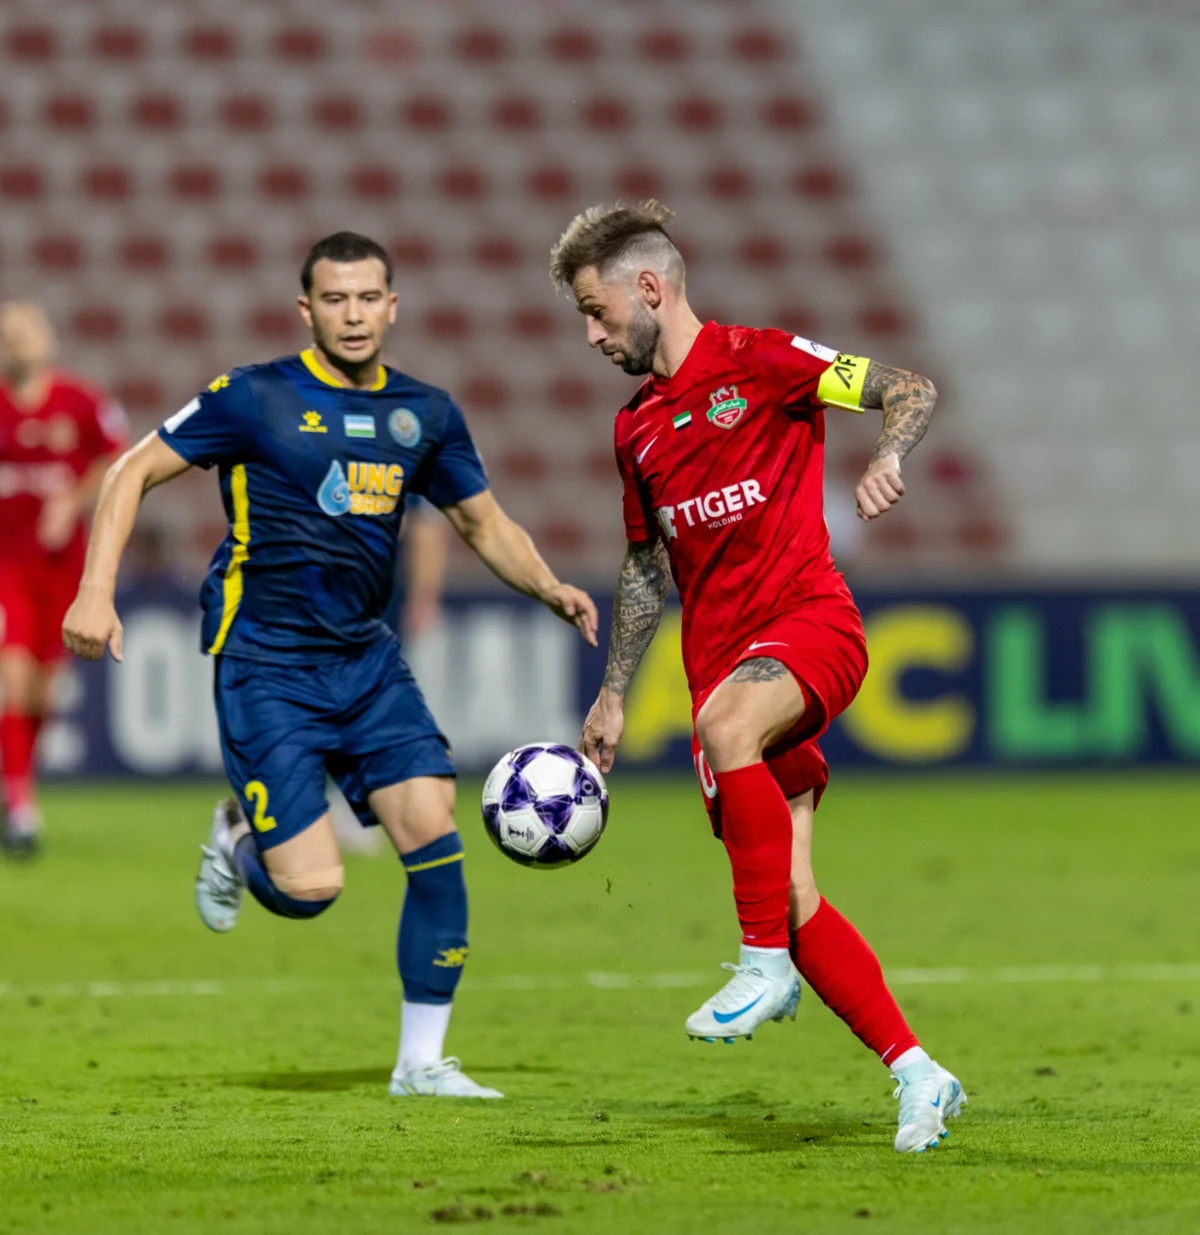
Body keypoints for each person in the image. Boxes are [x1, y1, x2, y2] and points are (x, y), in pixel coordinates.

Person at [63, 231, 598, 1099]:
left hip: (365, 661)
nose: (353, 315)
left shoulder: (426, 412)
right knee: (311, 891)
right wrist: (97, 590)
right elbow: (129, 472)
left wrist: (547, 585)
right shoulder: (254, 396)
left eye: (368, 298)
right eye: (335, 299)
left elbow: (481, 523)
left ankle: (420, 1062)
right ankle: (238, 836)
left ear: (394, 305)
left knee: (434, 830)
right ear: (305, 308)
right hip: (264, 664)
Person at [554, 201, 965, 1153]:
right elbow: (644, 566)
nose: (590, 335)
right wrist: (615, 686)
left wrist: (889, 454)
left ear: (649, 288)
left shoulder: (765, 357)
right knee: (791, 889)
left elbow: (909, 385)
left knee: (727, 732)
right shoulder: (636, 431)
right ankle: (920, 1074)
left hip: (810, 625)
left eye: (596, 310)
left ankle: (759, 967)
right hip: (722, 669)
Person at [0, 303, 127, 856]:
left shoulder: (82, 403)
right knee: (11, 674)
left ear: (48, 337)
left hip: (63, 569)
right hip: (6, 565)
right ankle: (21, 803)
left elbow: (118, 461)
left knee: (43, 688)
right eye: (8, 336)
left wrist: (71, 501)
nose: (18, 343)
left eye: (26, 332)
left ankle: (17, 782)